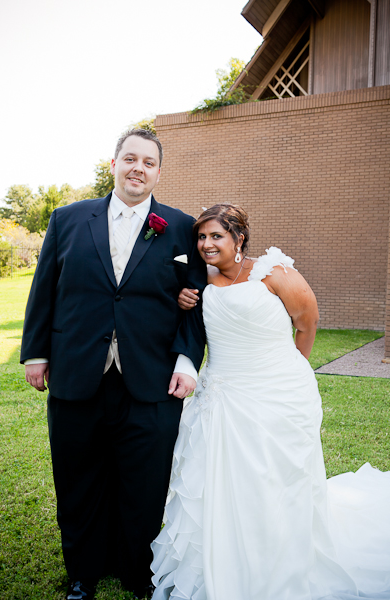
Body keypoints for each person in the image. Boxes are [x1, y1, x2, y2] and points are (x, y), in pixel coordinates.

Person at [151, 203, 390, 600]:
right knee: (219, 481)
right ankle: (220, 560)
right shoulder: (199, 280)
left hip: (277, 391)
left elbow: (307, 321)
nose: (206, 244)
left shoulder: (273, 272)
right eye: (201, 237)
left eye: (216, 236)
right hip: (221, 395)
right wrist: (182, 302)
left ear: (238, 238)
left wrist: (292, 370)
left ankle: (280, 558)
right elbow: (188, 324)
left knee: (274, 479)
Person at [20, 129, 207, 600]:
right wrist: (37, 353)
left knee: (144, 481)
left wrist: (186, 360)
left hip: (153, 377)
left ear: (159, 172)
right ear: (114, 164)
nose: (138, 168)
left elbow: (197, 301)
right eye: (130, 159)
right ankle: (83, 572)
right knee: (78, 476)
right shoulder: (68, 219)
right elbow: (43, 288)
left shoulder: (180, 226)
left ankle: (135, 571)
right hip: (77, 370)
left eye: (148, 162)